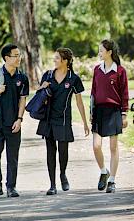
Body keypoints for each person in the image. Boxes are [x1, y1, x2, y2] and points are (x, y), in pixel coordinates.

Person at [36, 48, 90, 195]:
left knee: (63, 151)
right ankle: (52, 185)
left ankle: (62, 174)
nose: (54, 61)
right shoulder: (47, 75)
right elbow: (38, 93)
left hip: (64, 120)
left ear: (65, 61)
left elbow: (79, 102)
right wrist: (43, 86)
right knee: (50, 152)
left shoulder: (74, 79)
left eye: (57, 58)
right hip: (48, 119)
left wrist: (85, 123)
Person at [0, 44, 29, 197]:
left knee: (12, 155)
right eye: (16, 55)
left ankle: (11, 187)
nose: (19, 58)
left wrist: (20, 119)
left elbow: (23, 99)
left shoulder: (22, 77)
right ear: (7, 58)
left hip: (14, 123)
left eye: (19, 55)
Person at [91, 39, 129, 193]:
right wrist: (91, 112)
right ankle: (103, 171)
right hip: (99, 111)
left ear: (109, 52)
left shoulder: (120, 71)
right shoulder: (97, 70)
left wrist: (124, 114)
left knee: (113, 147)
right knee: (96, 146)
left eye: (101, 50)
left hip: (114, 111)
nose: (99, 53)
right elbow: (93, 92)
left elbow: (124, 94)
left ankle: (112, 180)